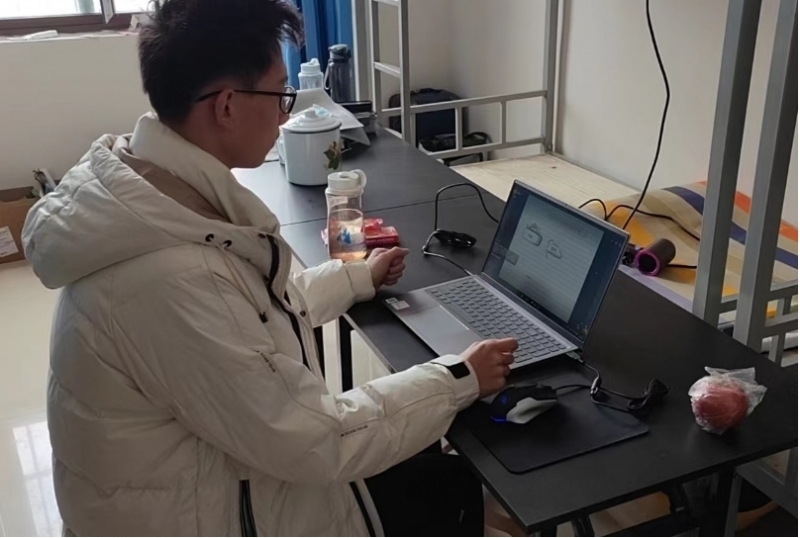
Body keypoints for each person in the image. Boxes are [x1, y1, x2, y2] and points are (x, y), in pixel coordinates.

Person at [21, 0, 518, 536]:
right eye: (280, 94)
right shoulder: (168, 276)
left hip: (213, 483)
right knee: (447, 481)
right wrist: (458, 377)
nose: (285, 114)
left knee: (433, 468)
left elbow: (248, 315)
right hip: (207, 518)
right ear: (227, 106)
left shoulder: (151, 196)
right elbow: (317, 440)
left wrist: (354, 277)